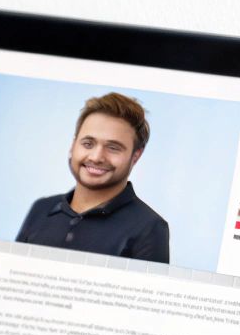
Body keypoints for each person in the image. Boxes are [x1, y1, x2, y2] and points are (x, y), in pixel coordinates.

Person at [14, 92, 170, 262]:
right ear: (73, 145)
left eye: (113, 147)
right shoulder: (41, 209)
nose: (96, 157)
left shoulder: (149, 227)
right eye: (88, 144)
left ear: (136, 156)